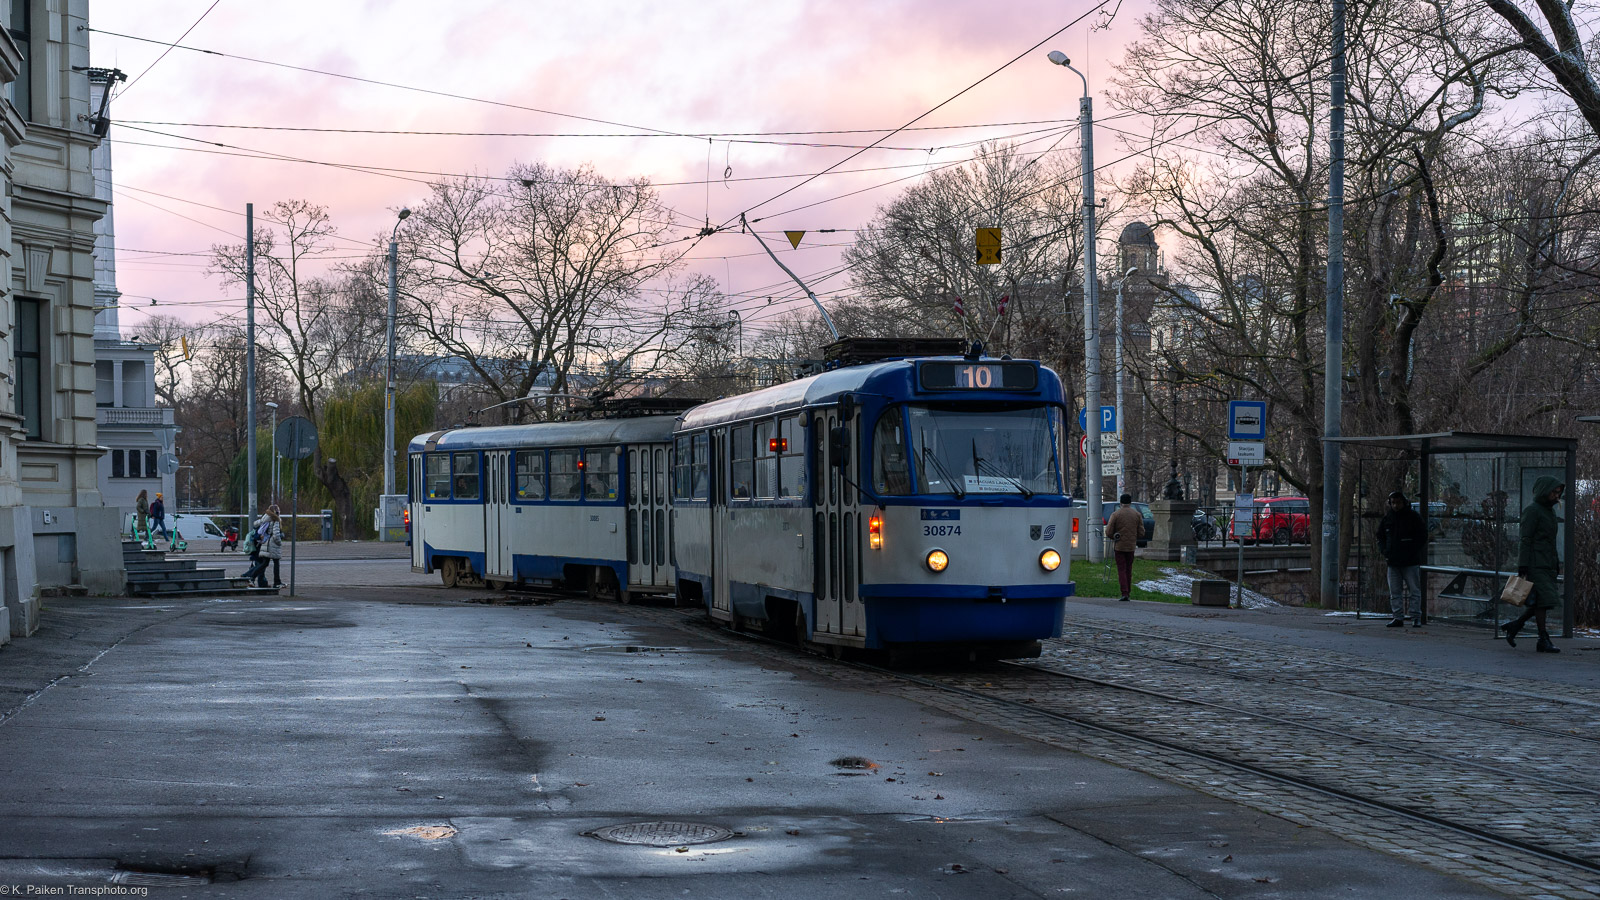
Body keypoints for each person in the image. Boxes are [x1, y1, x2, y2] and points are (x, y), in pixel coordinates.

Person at [1504, 476, 1565, 653]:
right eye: (1553, 492)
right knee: (1544, 600)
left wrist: (1555, 562)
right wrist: (1523, 564)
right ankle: (1542, 638)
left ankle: (1515, 626)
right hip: (1535, 563)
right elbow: (1525, 539)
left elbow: (1550, 541)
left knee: (1541, 601)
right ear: (1544, 491)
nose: (1556, 495)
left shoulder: (1549, 512)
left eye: (1558, 492)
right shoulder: (1533, 511)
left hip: (1546, 563)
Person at [1375, 491, 1427, 627]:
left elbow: (1422, 536)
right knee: (1396, 592)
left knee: (1413, 591)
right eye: (1393, 503)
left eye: (1398, 502)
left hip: (1409, 561)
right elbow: (1380, 537)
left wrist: (1412, 550)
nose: (1395, 506)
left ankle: (1415, 617)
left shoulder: (1412, 518)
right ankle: (1399, 617)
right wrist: (1385, 551)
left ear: (1404, 502)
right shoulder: (1388, 519)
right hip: (1394, 561)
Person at [1105, 493, 1145, 602]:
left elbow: (1108, 531)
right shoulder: (1137, 514)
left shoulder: (1116, 514)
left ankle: (1124, 592)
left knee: (1121, 569)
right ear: (1130, 502)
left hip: (1119, 545)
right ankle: (1128, 591)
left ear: (1121, 502)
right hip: (1131, 546)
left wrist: (1114, 536)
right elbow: (1141, 533)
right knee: (1129, 569)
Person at [243, 507, 285, 589]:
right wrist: (279, 542)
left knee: (264, 563)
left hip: (265, 543)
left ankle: (251, 578)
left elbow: (255, 524)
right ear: (276, 511)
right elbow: (276, 534)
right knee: (276, 563)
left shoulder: (265, 518)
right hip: (273, 544)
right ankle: (277, 582)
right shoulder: (275, 519)